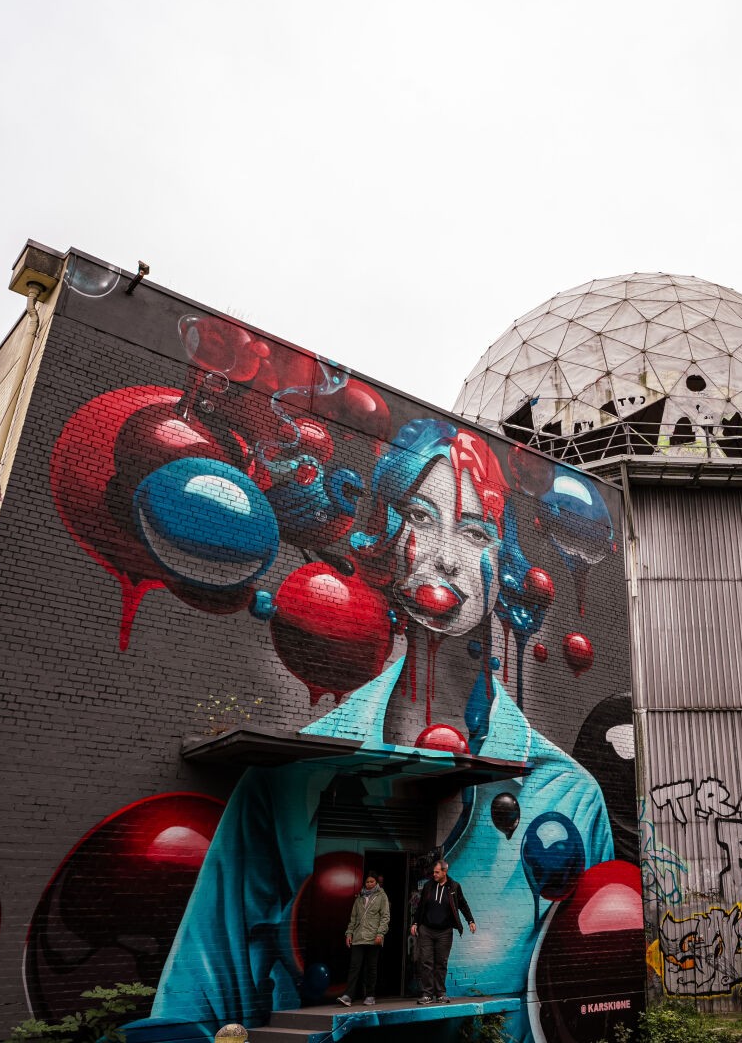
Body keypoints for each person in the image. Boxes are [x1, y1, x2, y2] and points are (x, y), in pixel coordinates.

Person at [137, 421, 612, 1043]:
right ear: (388, 536)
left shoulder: (568, 796)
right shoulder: (282, 782)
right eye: (420, 515)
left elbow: (589, 999)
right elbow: (196, 1007)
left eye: (474, 533)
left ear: (504, 564)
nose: (445, 555)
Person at [409, 859, 475, 1004]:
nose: (434, 874)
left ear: (445, 871)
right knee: (426, 962)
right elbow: (421, 907)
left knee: (441, 963)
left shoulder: (454, 887)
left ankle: (440, 994)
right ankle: (427, 994)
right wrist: (415, 922)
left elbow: (463, 904)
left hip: (445, 932)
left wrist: (470, 921)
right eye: (433, 872)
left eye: (437, 872)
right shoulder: (428, 886)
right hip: (426, 930)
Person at [338, 873, 390, 1006]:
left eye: (372, 882)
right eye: (367, 882)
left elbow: (385, 917)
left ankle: (370, 995)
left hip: (374, 937)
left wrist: (380, 934)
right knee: (354, 966)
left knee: (371, 968)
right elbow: (353, 918)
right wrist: (349, 934)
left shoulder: (381, 897)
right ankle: (348, 996)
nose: (369, 884)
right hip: (358, 937)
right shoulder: (359, 899)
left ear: (376, 883)